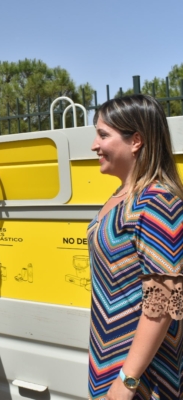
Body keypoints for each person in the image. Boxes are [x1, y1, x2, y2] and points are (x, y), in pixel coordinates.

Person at [88, 94, 183, 399]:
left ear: (136, 141)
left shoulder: (157, 202)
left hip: (145, 377)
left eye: (103, 135)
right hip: (111, 358)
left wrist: (128, 379)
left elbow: (165, 298)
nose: (94, 145)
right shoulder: (122, 195)